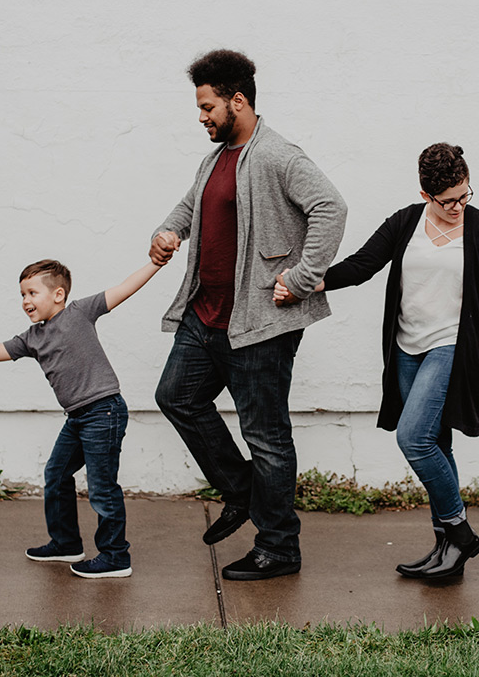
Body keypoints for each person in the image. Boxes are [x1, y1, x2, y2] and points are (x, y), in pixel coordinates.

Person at [274, 143, 479, 580]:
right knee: (437, 443)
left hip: (453, 347)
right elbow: (362, 265)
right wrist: (305, 283)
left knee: (414, 439)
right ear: (427, 195)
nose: (458, 207)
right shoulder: (407, 222)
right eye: (448, 201)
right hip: (407, 348)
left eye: (465, 196)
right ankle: (447, 551)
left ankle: (460, 533)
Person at [151, 49, 347, 581]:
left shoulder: (278, 156)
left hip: (258, 323)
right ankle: (242, 493)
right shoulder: (215, 158)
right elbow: (191, 206)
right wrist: (168, 232)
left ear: (238, 100)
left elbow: (332, 207)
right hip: (205, 316)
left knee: (266, 435)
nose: (201, 116)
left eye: (208, 106)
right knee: (176, 397)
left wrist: (303, 278)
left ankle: (280, 546)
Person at [0, 258, 162, 578]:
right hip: (77, 417)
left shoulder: (80, 312)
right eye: (22, 295)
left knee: (102, 487)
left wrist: (156, 263)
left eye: (32, 293)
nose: (25, 301)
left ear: (58, 294)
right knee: (57, 473)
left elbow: (124, 288)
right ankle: (66, 543)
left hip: (103, 411)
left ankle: (116, 556)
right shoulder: (32, 338)